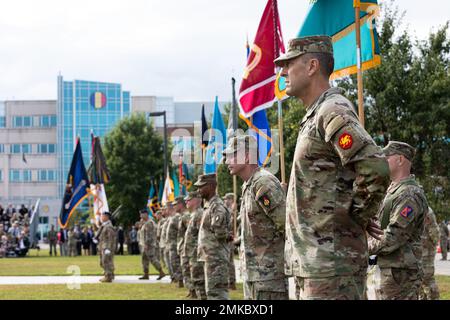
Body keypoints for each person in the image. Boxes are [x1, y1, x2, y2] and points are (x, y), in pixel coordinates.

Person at [274, 35, 390, 300]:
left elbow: (375, 167)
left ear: (312, 66)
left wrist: (357, 215)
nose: (282, 73)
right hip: (317, 265)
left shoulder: (331, 111)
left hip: (331, 265)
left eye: (288, 64)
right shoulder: (315, 115)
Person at [224, 135, 288, 300]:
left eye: (231, 155)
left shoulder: (263, 183)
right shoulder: (249, 185)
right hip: (254, 275)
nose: (226, 161)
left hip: (269, 277)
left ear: (246, 156)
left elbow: (286, 226)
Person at [368, 141, 428, 300]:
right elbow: (379, 225)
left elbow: (393, 236)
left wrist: (363, 247)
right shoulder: (394, 190)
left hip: (400, 276)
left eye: (386, 157)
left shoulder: (409, 194)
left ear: (400, 159)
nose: (382, 162)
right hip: (389, 270)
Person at [195, 173, 231, 300]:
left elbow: (220, 233)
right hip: (210, 258)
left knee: (217, 295)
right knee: (212, 293)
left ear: (210, 186)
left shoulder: (217, 206)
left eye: (201, 187)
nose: (198, 190)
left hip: (216, 259)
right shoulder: (209, 205)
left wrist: (228, 237)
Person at [184, 191, 207, 300]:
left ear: (196, 200)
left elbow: (203, 236)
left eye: (188, 200)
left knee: (199, 282)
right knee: (197, 281)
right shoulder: (194, 215)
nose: (186, 202)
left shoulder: (199, 214)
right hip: (192, 254)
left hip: (197, 255)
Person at [138, 209, 166, 280]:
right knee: (144, 259)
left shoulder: (149, 223)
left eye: (142, 214)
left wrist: (147, 244)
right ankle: (146, 274)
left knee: (152, 258)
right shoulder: (145, 223)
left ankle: (161, 272)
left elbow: (149, 235)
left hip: (149, 245)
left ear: (146, 214)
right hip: (144, 244)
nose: (140, 216)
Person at [419, 207, 440, 300]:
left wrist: (432, 246)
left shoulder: (426, 210)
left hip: (426, 250)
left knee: (428, 279)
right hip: (418, 249)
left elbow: (435, 233)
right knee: (418, 279)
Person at [174, 196, 193, 296]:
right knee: (185, 269)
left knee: (188, 269)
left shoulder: (186, 216)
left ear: (180, 205)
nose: (174, 207)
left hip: (187, 248)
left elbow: (190, 232)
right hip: (183, 247)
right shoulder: (183, 216)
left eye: (175, 205)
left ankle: (193, 291)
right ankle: (190, 290)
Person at [166, 199, 183, 287]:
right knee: (173, 263)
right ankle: (178, 279)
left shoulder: (177, 217)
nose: (174, 206)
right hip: (171, 244)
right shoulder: (174, 217)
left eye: (175, 205)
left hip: (175, 244)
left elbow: (180, 230)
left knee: (176, 263)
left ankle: (180, 281)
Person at [96, 211, 116, 282]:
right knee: (104, 262)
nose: (101, 217)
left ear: (107, 217)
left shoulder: (109, 226)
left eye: (103, 216)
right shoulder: (104, 225)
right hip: (103, 246)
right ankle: (110, 274)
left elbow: (111, 238)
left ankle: (108, 277)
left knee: (106, 261)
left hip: (107, 247)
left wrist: (108, 248)